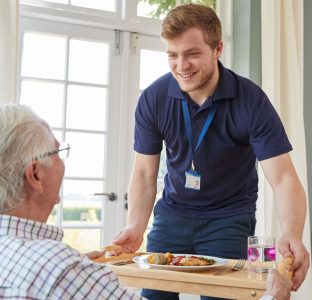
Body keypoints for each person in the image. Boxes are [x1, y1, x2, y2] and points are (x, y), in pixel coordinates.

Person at [112, 3, 310, 300]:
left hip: (228, 218)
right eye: (173, 55)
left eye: (192, 54)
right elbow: (143, 172)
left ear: (217, 49)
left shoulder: (251, 100)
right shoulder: (153, 99)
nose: (181, 66)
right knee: (154, 295)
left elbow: (283, 178)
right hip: (172, 215)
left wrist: (292, 233)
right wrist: (136, 226)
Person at [0, 104, 142, 300]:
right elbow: (50, 272)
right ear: (35, 175)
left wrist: (78, 271)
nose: (62, 163)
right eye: (57, 152)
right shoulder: (57, 267)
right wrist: (74, 271)